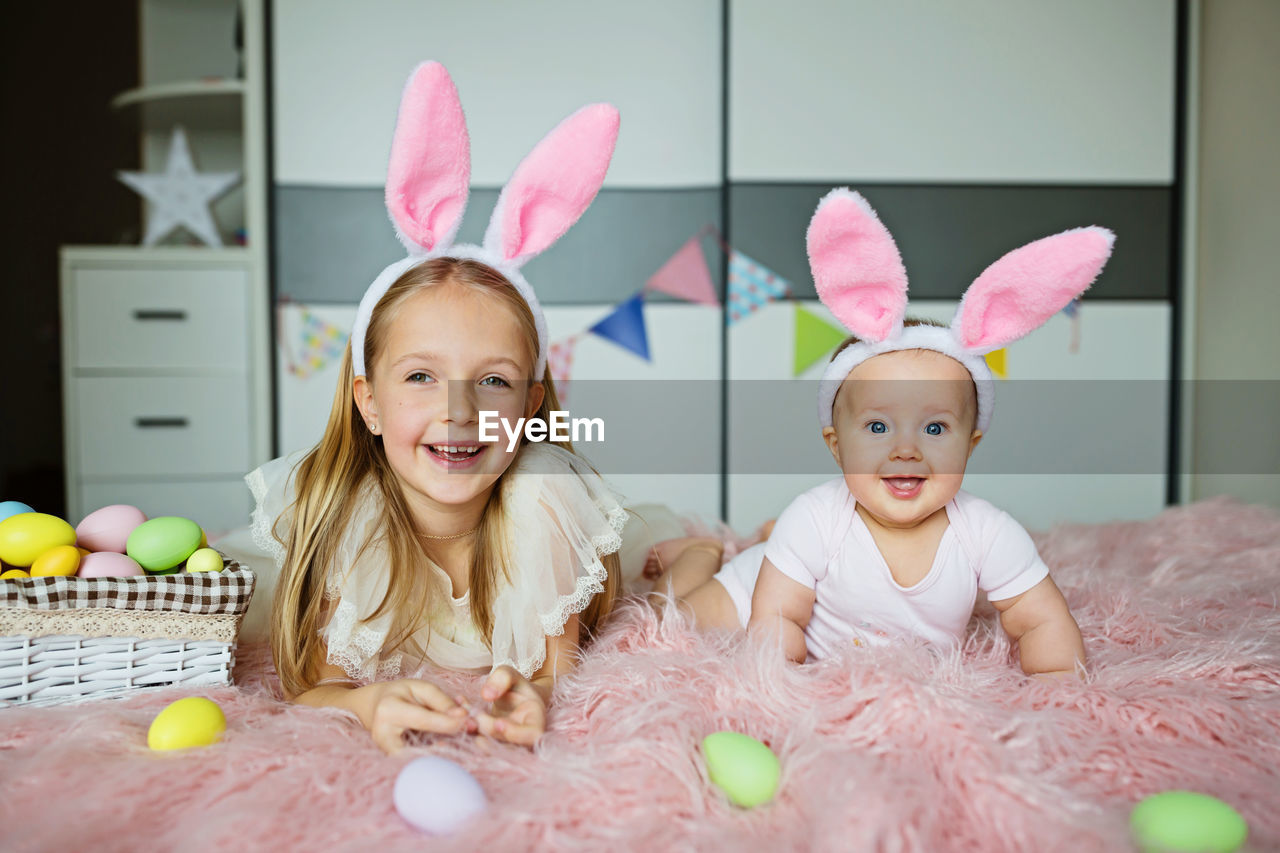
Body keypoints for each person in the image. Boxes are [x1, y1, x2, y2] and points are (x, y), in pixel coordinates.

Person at [249, 62, 625, 753]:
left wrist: (534, 699)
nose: (458, 411)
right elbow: (314, 687)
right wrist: (364, 704)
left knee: (679, 567)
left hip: (539, 514)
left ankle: (689, 552)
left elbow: (556, 672)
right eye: (421, 375)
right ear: (369, 402)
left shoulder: (547, 504)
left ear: (530, 405)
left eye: (494, 381)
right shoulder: (343, 512)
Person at [653, 188, 1113, 678]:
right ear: (836, 445)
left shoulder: (988, 533)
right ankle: (702, 554)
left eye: (935, 427)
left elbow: (1042, 619)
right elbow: (778, 619)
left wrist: (1059, 685)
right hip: (755, 593)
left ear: (970, 445)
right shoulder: (814, 517)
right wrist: (782, 688)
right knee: (673, 623)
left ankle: (771, 543)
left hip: (799, 555)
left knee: (789, 551)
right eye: (877, 426)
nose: (906, 449)